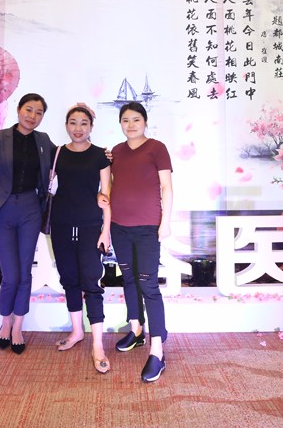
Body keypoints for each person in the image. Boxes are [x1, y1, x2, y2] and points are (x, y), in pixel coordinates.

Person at [0, 93, 53, 354]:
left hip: (30, 208)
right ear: (19, 110)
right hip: (3, 210)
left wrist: (102, 154)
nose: (32, 116)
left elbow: (66, 157)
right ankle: (5, 322)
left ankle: (18, 325)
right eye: (29, 109)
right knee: (11, 274)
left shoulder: (44, 141)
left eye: (39, 112)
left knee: (25, 272)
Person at [109, 101, 173, 382]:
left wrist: (165, 222)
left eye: (136, 119)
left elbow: (167, 187)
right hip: (119, 226)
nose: (131, 124)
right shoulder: (116, 151)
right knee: (129, 279)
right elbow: (111, 184)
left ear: (145, 122)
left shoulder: (157, 148)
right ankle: (136, 330)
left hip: (148, 228)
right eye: (125, 120)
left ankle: (157, 351)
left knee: (148, 285)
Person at [50, 105, 112, 374]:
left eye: (83, 123)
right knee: (69, 279)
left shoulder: (101, 155)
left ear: (91, 127)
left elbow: (106, 195)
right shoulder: (57, 153)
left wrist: (106, 230)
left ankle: (97, 344)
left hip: (90, 225)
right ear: (66, 125)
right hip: (61, 224)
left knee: (91, 282)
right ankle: (77, 332)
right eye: (73, 122)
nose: (78, 128)